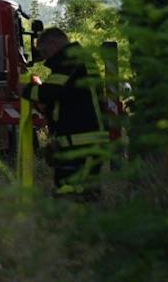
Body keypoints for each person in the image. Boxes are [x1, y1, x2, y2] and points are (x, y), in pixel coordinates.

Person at [22, 28, 110, 192]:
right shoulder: (78, 59)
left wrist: (24, 90)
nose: (46, 57)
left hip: (83, 145)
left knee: (79, 193)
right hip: (80, 143)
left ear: (54, 43)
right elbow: (66, 98)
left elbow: (49, 92)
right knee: (70, 192)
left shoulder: (70, 59)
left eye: (45, 51)